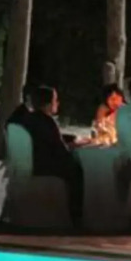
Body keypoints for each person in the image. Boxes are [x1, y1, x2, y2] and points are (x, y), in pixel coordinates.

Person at [21, 86, 84, 225]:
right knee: (79, 170)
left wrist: (69, 139)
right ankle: (76, 215)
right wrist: (74, 146)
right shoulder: (47, 121)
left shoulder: (29, 118)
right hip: (46, 166)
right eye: (55, 100)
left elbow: (49, 137)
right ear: (48, 103)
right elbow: (61, 151)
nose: (57, 103)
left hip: (34, 162)